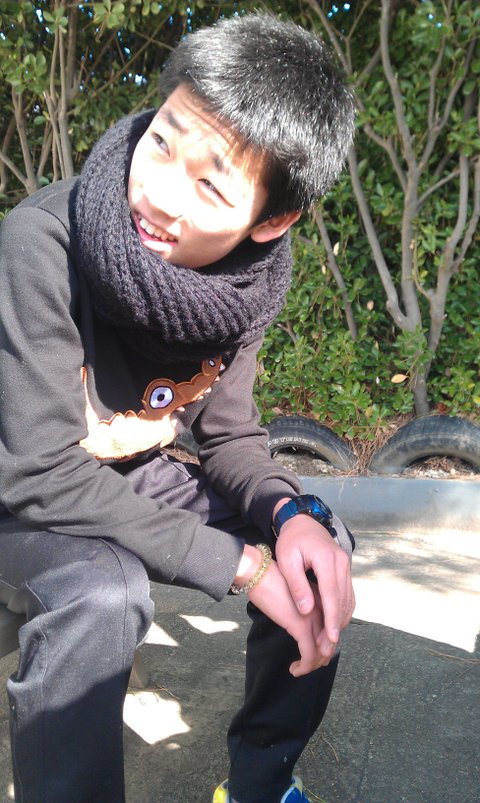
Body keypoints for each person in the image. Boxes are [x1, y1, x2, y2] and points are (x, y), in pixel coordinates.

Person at [0, 12, 356, 803]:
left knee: (315, 547)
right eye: (162, 142)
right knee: (101, 592)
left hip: (122, 467)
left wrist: (290, 512)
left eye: (211, 185)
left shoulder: (243, 291)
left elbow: (227, 435)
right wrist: (237, 566)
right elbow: (37, 471)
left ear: (272, 220)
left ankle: (262, 782)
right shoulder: (41, 242)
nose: (158, 194)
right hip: (19, 481)